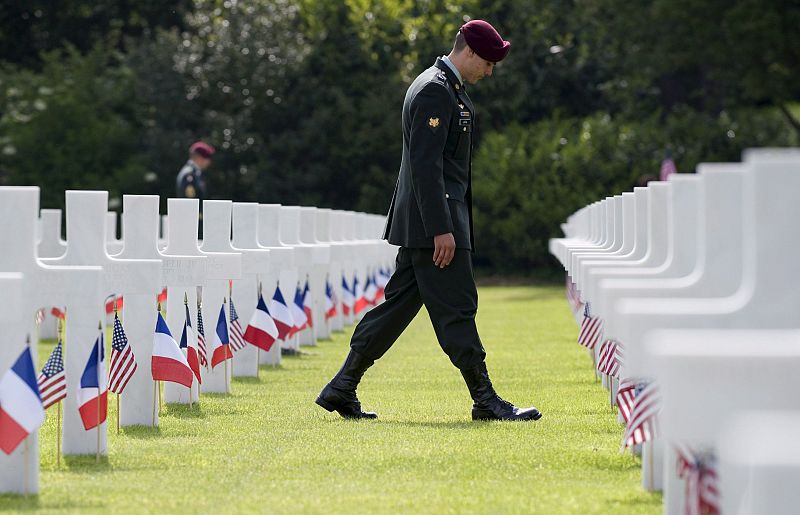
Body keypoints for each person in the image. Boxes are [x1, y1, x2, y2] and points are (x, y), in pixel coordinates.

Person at [316, 20, 542, 422]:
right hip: (433, 226)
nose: (490, 71)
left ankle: (342, 387)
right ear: (469, 51)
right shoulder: (436, 91)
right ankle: (486, 400)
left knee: (396, 309)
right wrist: (442, 228)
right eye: (488, 62)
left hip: (429, 223)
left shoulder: (446, 88)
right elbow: (425, 168)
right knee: (458, 307)